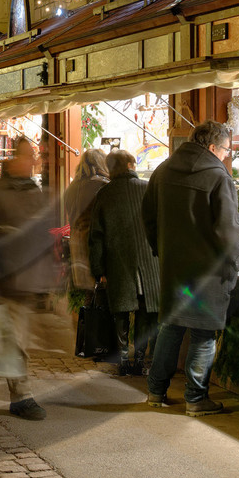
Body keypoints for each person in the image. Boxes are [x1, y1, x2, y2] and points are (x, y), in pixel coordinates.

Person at [143, 121, 239, 415]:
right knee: (203, 333)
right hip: (208, 272)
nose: (226, 157)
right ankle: (196, 399)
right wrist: (234, 264)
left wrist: (161, 251)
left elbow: (148, 217)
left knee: (171, 327)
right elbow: (230, 231)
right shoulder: (218, 177)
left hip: (174, 266)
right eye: (226, 151)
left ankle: (155, 392)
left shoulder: (162, 170)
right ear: (213, 148)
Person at [0, 136, 57, 420]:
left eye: (35, 158)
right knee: (15, 339)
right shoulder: (1, 191)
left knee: (19, 338)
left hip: (31, 278)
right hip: (9, 278)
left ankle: (6, 373)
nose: (33, 163)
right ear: (17, 159)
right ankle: (21, 396)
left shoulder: (33, 190)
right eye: (29, 157)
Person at [87, 149, 161, 377]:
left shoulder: (105, 194)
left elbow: (96, 236)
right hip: (149, 262)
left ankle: (122, 360)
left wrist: (98, 269)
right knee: (146, 313)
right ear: (130, 165)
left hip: (118, 263)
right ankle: (140, 361)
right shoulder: (149, 188)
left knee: (121, 313)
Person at [62, 148, 109, 294]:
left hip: (77, 245)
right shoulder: (103, 185)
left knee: (89, 296)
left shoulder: (71, 188)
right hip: (95, 246)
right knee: (101, 296)